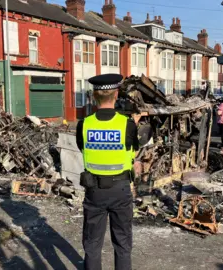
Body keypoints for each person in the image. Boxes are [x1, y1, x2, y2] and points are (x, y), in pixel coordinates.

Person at [76, 73, 141, 270]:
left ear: (94, 95)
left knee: (92, 244)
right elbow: (132, 150)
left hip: (94, 191)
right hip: (120, 190)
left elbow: (82, 148)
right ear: (116, 95)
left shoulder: (84, 124)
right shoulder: (127, 124)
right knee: (122, 244)